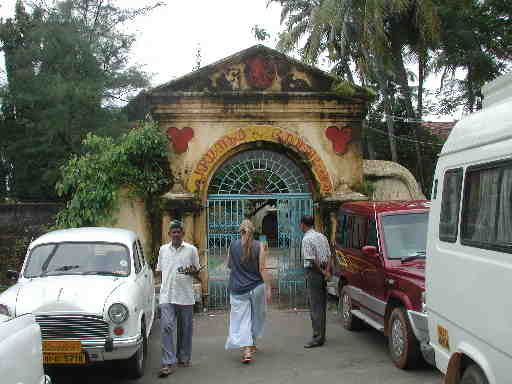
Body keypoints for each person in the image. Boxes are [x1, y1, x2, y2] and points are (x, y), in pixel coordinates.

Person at [156, 220, 201, 377]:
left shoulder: (191, 250)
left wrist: (191, 271)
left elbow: (197, 271)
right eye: (173, 232)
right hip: (167, 295)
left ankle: (183, 357)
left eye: (178, 231)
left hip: (185, 295)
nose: (176, 234)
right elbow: (160, 270)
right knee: (166, 327)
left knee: (185, 329)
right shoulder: (163, 250)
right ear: (169, 234)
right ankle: (167, 361)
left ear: (183, 234)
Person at [225, 219, 271, 364]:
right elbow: (262, 269)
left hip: (238, 289)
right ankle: (252, 343)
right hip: (257, 288)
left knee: (242, 318)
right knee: (257, 316)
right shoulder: (260, 246)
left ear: (240, 231)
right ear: (253, 231)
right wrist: (268, 288)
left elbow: (228, 265)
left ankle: (246, 350)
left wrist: (239, 269)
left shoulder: (233, 245)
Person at [300, 215, 331, 348]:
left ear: (303, 224)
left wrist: (322, 272)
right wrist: (327, 271)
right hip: (324, 270)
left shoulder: (307, 239)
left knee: (314, 305)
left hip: (314, 272)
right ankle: (321, 335)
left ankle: (317, 337)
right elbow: (329, 254)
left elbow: (311, 260)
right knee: (322, 304)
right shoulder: (322, 237)